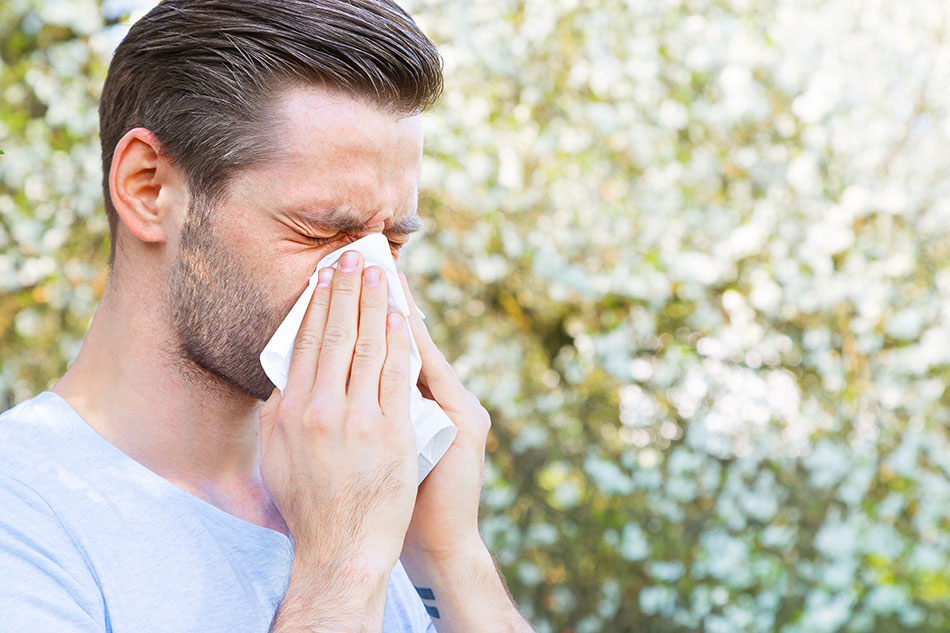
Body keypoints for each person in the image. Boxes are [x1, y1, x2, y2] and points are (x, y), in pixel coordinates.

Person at [0, 1, 536, 631]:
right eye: (317, 232)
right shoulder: (27, 517)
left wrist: (449, 554)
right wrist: (340, 570)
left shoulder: (358, 479)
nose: (375, 286)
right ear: (149, 189)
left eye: (390, 243)